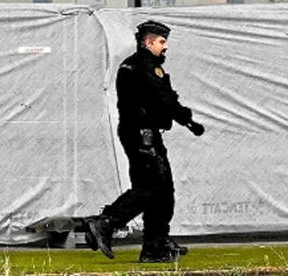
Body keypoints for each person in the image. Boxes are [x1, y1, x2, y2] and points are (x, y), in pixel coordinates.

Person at [86, 20, 204, 263]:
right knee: (153, 187)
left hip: (139, 132)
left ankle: (154, 245)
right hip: (143, 133)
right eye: (161, 42)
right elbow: (164, 100)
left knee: (160, 190)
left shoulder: (133, 65)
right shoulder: (145, 66)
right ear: (148, 42)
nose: (166, 46)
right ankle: (107, 223)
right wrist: (188, 121)